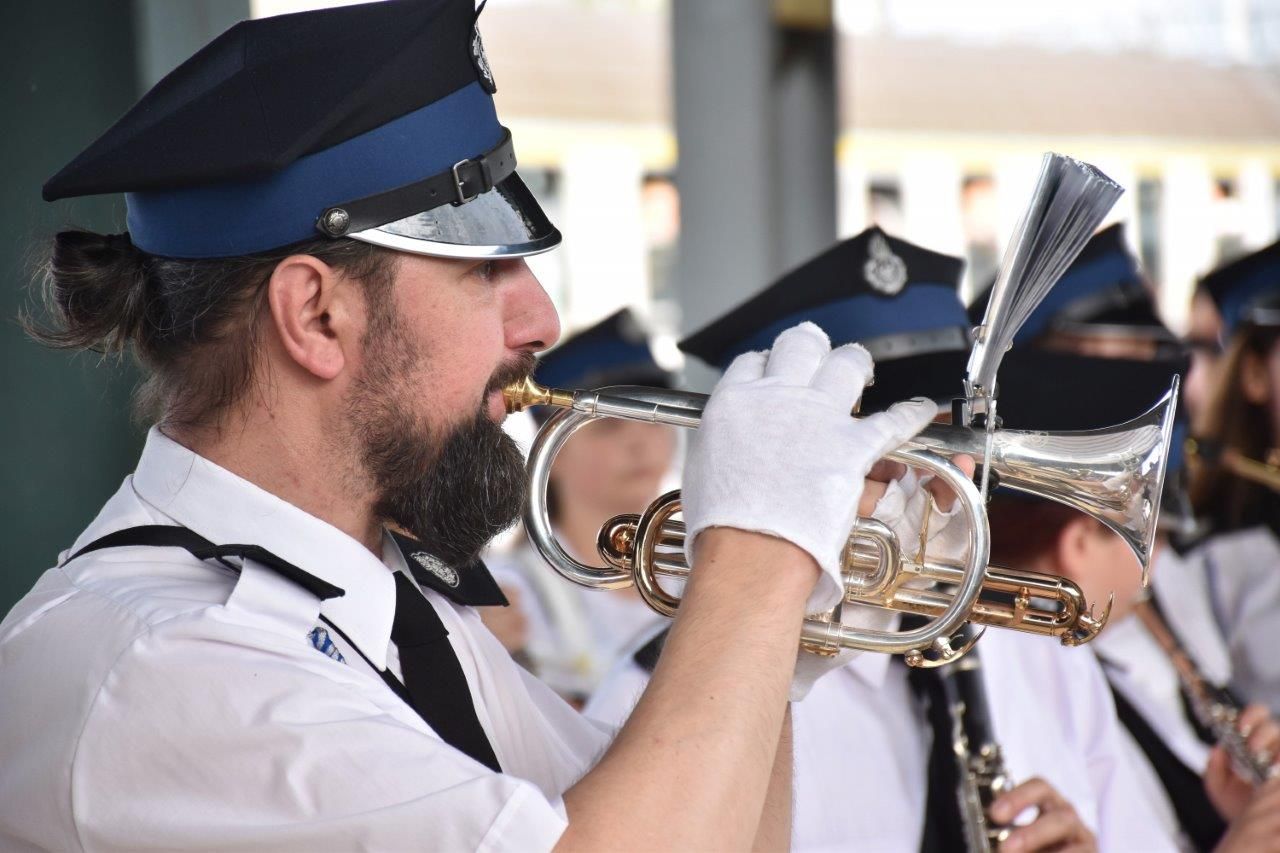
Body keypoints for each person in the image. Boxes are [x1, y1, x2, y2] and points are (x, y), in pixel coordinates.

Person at [0, 3, 941, 849]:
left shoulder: (392, 605)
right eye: (483, 267)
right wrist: (755, 562)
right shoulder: (163, 661)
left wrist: (782, 631)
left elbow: (705, 830)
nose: (538, 321)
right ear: (317, 316)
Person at [590, 227, 1165, 851]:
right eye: (911, 446)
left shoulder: (1041, 658)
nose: (960, 478)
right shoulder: (661, 689)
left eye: (962, 439)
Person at [484, 308, 677, 703]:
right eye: (608, 426)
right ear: (551, 452)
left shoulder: (699, 564)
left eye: (654, 419)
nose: (641, 442)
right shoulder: (507, 591)